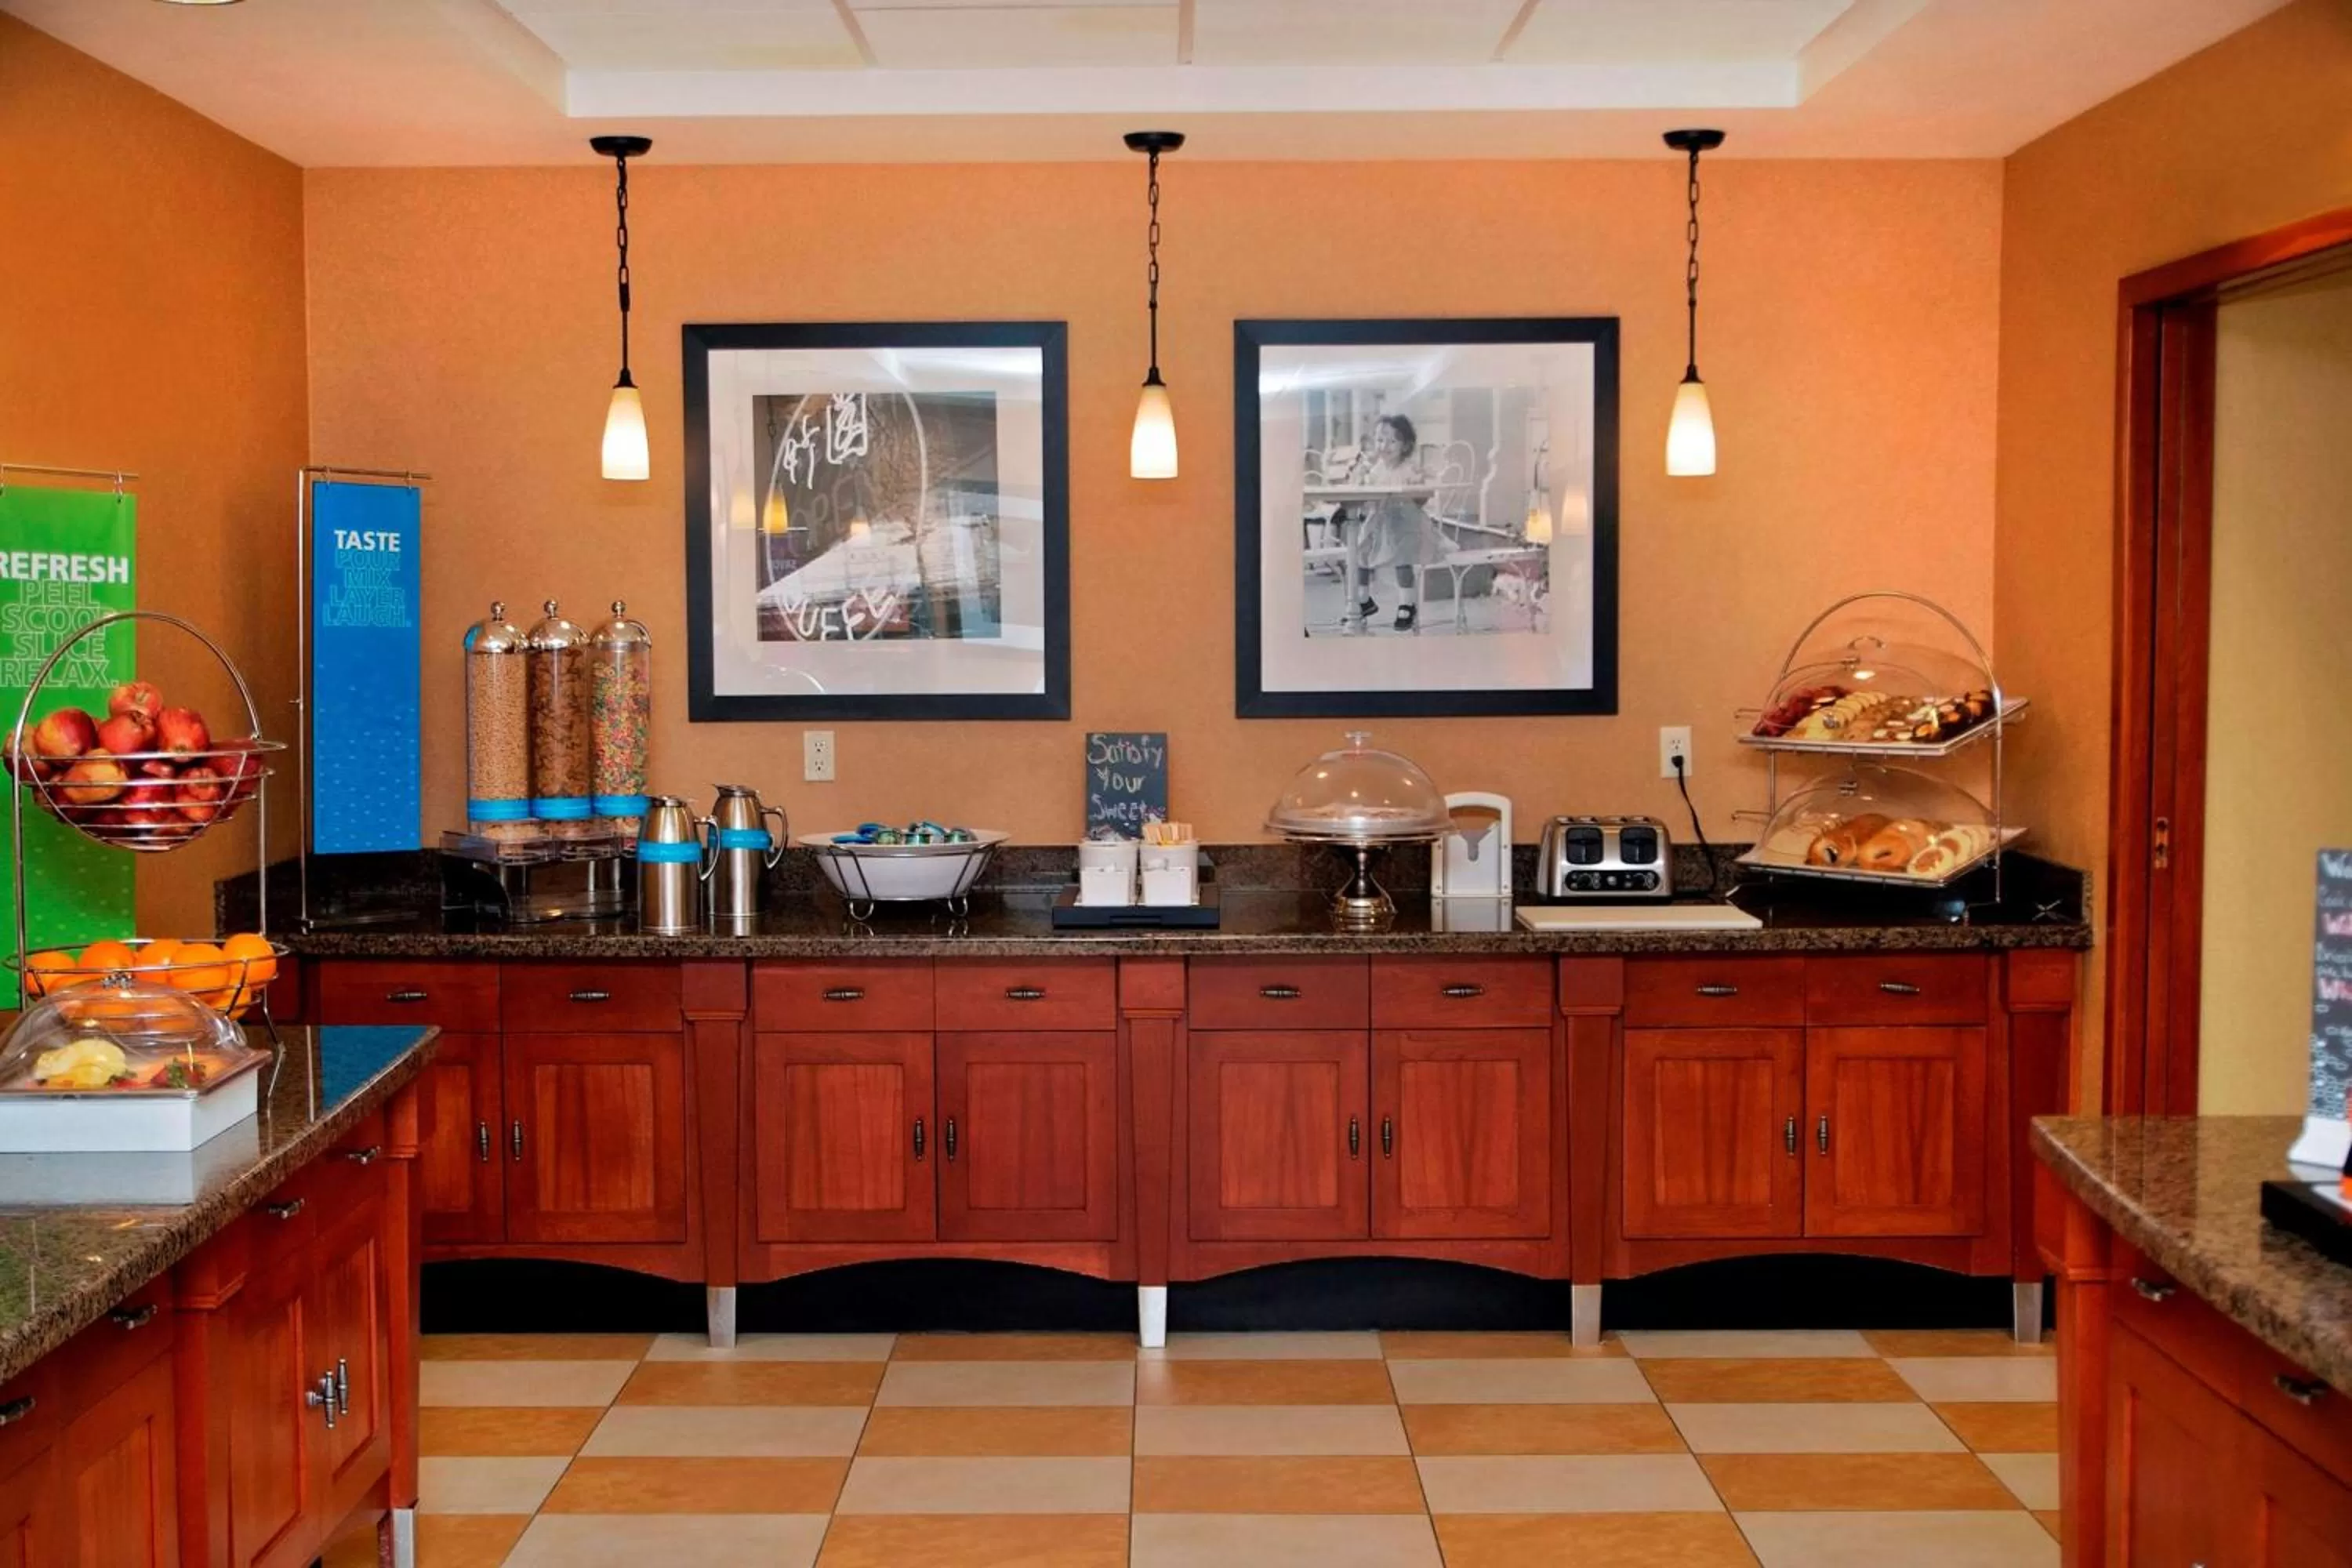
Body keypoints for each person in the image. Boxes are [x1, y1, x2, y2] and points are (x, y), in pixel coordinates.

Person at [1347, 414, 1443, 631]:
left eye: (1393, 441)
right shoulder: (1376, 469)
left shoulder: (1409, 468)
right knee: (1360, 549)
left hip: (1404, 522)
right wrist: (1360, 476)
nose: (1385, 446)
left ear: (1406, 445)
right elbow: (1365, 494)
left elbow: (1423, 497)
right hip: (1378, 521)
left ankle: (1406, 603)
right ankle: (1363, 599)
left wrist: (1419, 485)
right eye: (1380, 440)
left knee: (1402, 558)